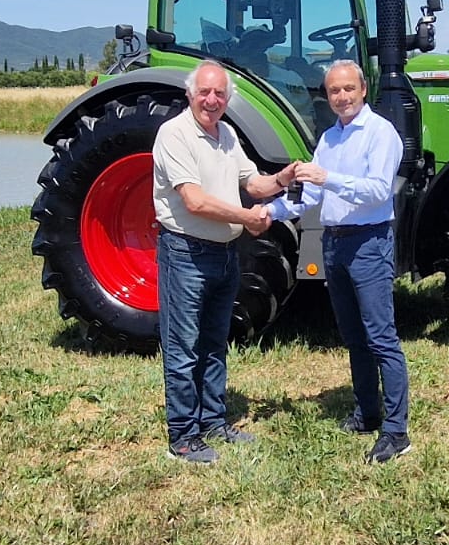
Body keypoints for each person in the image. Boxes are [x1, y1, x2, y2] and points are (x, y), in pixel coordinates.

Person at [267, 60, 412, 464]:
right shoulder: (329, 139)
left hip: (368, 242)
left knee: (381, 337)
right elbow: (312, 197)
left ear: (363, 90)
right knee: (353, 336)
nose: (342, 97)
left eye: (349, 89)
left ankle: (396, 432)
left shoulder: (381, 133)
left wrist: (326, 178)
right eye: (334, 91)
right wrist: (269, 213)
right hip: (334, 243)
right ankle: (367, 413)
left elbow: (378, 191)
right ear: (327, 96)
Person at [153, 59, 294, 464]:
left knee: (215, 343)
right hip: (187, 254)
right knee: (183, 347)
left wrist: (284, 178)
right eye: (204, 92)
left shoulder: (227, 134)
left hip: (225, 254)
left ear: (227, 99)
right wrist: (248, 217)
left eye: (219, 93)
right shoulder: (174, 134)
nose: (212, 100)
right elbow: (195, 201)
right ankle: (183, 437)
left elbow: (253, 183)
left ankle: (213, 422)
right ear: (190, 94)